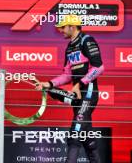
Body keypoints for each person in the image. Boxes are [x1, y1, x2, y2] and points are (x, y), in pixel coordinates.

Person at [36, 15, 104, 163]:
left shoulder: (87, 41)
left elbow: (99, 67)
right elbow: (67, 75)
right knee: (87, 138)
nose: (60, 30)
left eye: (63, 27)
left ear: (72, 27)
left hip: (88, 93)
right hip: (78, 97)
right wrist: (49, 84)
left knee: (74, 135)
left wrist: (79, 84)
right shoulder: (69, 47)